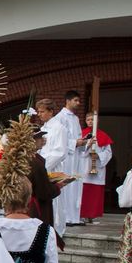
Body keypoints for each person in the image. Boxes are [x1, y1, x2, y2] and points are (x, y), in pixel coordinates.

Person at [52, 91, 87, 226]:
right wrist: (74, 143)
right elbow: (60, 139)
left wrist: (83, 142)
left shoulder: (76, 118)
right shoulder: (60, 118)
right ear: (68, 100)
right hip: (66, 157)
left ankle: (74, 217)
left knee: (76, 184)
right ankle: (66, 217)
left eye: (79, 101)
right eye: (76, 100)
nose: (78, 103)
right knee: (67, 185)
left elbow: (77, 136)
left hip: (76, 156)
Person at [36, 98, 69, 236]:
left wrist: (43, 165)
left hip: (52, 168)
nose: (39, 114)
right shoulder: (42, 129)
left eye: (42, 111)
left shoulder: (59, 128)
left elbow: (60, 151)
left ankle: (57, 231)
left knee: (55, 200)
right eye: (38, 111)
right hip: (42, 166)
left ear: (50, 112)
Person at [80, 112, 113, 223]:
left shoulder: (103, 135)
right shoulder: (82, 134)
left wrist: (98, 155)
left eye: (92, 119)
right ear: (85, 121)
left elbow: (108, 152)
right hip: (84, 166)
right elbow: (76, 151)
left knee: (95, 193)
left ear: (97, 121)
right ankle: (83, 215)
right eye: (88, 119)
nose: (90, 121)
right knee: (83, 192)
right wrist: (87, 146)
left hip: (97, 167)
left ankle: (93, 216)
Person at [28, 126, 62, 230]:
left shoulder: (22, 158)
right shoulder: (35, 162)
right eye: (39, 137)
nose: (43, 139)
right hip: (36, 210)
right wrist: (57, 186)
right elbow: (44, 192)